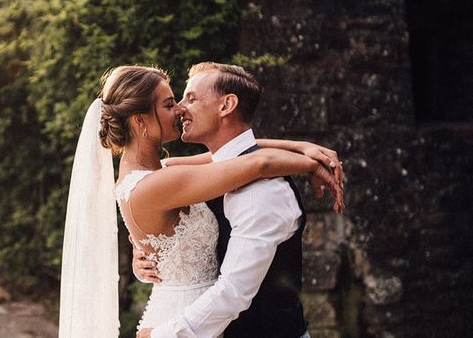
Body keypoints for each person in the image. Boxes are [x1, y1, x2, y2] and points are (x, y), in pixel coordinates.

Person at [58, 65, 343, 338]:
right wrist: (310, 164)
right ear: (140, 120)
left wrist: (302, 147)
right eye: (169, 104)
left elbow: (233, 156)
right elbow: (259, 162)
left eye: (185, 99)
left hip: (196, 320)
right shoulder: (159, 183)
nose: (180, 109)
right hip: (181, 323)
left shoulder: (163, 173)